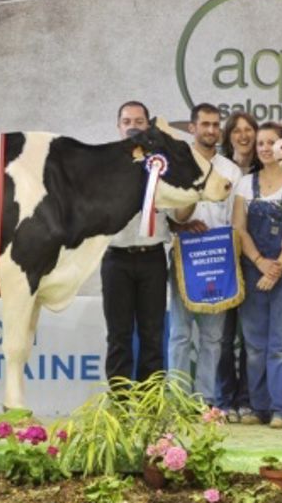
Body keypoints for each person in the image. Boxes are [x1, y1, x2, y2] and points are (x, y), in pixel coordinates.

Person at [232, 121, 282, 428]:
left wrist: (276, 267)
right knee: (254, 344)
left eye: (272, 142)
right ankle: (257, 406)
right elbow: (239, 227)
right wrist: (258, 261)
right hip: (253, 269)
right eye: (260, 143)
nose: (265, 148)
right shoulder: (245, 184)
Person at [167, 103, 242, 407]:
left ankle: (206, 401)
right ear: (192, 128)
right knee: (181, 334)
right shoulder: (175, 163)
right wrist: (184, 222)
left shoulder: (231, 170)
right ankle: (177, 402)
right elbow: (169, 213)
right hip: (185, 258)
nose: (211, 130)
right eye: (205, 124)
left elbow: (237, 219)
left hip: (219, 260)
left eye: (216, 125)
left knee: (213, 338)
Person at [100, 101, 169, 383]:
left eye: (139, 122)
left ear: (148, 126)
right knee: (119, 335)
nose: (132, 127)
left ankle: (150, 405)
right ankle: (119, 405)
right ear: (119, 127)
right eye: (127, 121)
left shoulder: (162, 165)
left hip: (153, 257)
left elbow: (177, 210)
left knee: (152, 335)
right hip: (116, 258)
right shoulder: (103, 165)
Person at [217, 112, 260, 422]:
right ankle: (224, 398)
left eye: (249, 130)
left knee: (251, 335)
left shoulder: (268, 170)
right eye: (237, 130)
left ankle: (247, 398)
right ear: (228, 136)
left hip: (255, 260)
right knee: (221, 335)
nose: (244, 136)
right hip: (220, 261)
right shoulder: (216, 170)